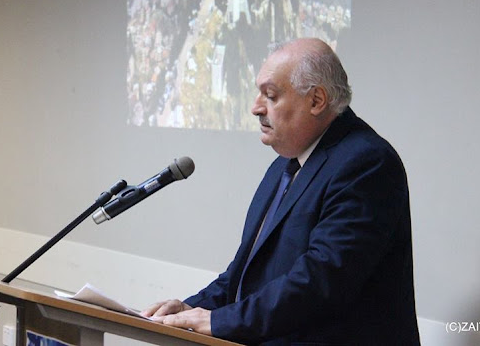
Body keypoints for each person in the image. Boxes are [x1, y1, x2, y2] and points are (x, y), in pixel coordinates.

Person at [142, 38, 420, 345]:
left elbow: (320, 281)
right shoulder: (285, 165)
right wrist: (192, 309)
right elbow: (245, 274)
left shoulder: (367, 163)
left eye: (270, 95)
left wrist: (219, 321)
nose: (255, 107)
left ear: (316, 100)